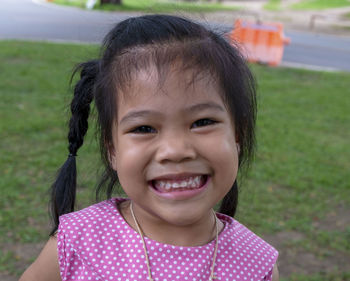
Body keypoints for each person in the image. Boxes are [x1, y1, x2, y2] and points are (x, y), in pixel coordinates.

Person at [20, 14, 279, 281]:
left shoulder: (257, 264)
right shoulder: (77, 242)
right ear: (112, 150)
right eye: (144, 128)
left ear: (237, 135)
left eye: (202, 122)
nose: (176, 150)